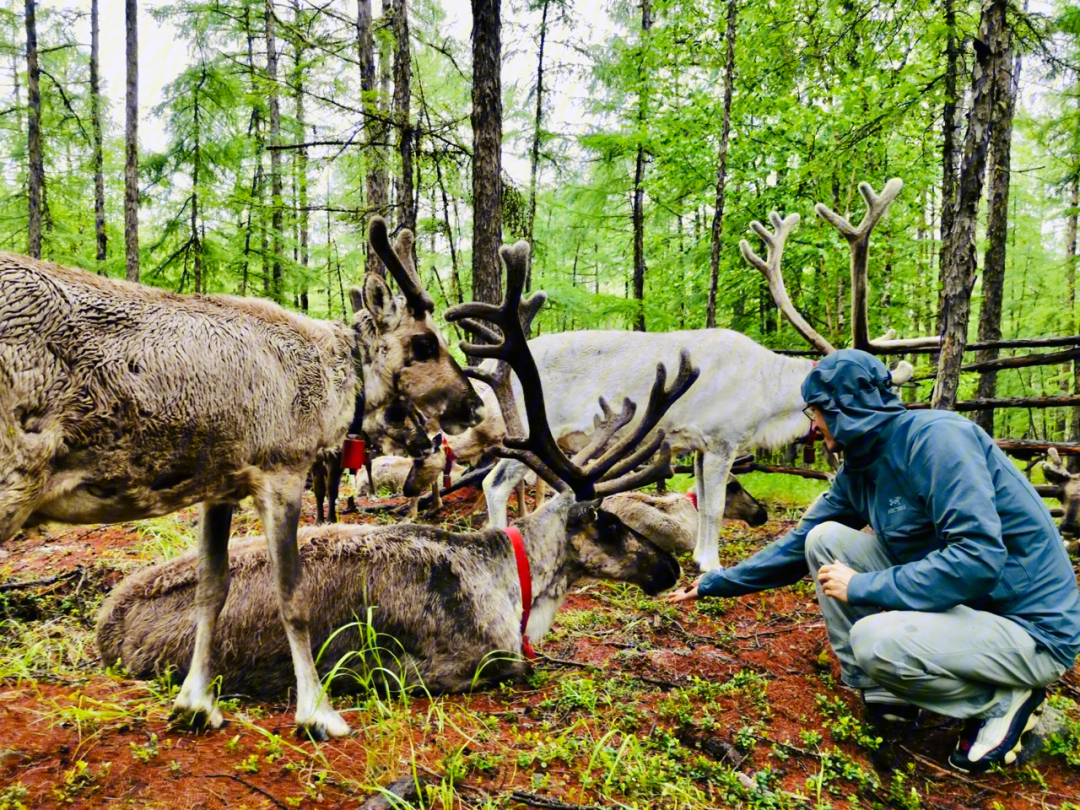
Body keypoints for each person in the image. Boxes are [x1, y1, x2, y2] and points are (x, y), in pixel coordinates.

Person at [667, 349, 1080, 774]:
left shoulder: (937, 441)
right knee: (824, 539)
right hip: (971, 607)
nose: (814, 425)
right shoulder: (862, 468)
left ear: (840, 408)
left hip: (1029, 628)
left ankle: (1004, 700)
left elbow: (977, 559)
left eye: (816, 412)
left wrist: (864, 588)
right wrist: (718, 581)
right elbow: (798, 546)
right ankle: (883, 689)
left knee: (875, 640)